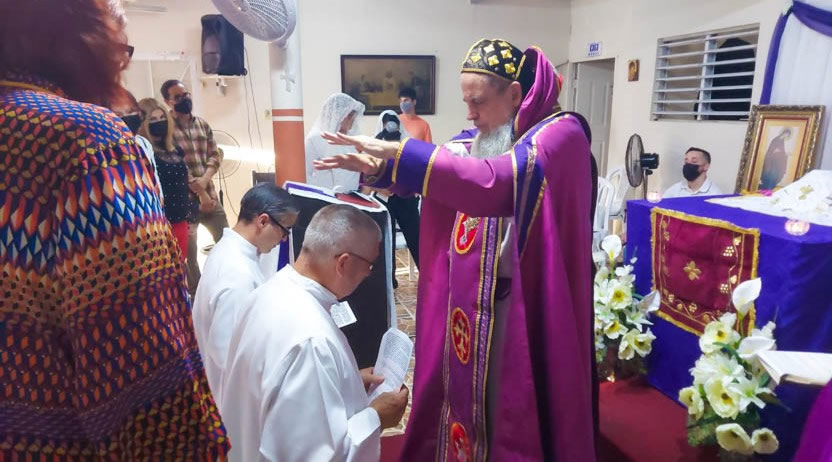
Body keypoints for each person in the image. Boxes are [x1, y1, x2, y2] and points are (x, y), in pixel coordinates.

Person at [315, 38, 596, 461]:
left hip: (525, 307)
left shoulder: (561, 134)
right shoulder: (491, 133)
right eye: (466, 102)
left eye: (477, 102)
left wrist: (404, 156)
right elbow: (453, 158)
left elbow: (495, 182)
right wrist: (384, 168)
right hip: (475, 304)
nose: (470, 114)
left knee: (511, 409)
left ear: (514, 94)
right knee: (471, 407)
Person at [0, 0, 229, 458]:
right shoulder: (85, 141)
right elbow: (142, 368)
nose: (120, 66)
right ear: (75, 38)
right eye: (119, 48)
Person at [221, 204, 409, 461]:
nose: (368, 274)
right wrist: (377, 417)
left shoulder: (268, 292)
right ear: (343, 263)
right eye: (370, 265)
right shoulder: (312, 342)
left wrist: (349, 381)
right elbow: (316, 454)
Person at [193, 182, 299, 401]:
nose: (284, 239)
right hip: (230, 399)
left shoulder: (229, 249)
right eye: (285, 230)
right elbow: (228, 359)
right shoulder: (238, 277)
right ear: (263, 221)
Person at [161, 78, 228, 295]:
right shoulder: (167, 130)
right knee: (190, 258)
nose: (184, 99)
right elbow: (175, 165)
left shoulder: (202, 124)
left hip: (211, 196)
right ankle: (198, 296)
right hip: (185, 203)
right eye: (178, 97)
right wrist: (200, 193)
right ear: (168, 101)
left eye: (186, 94)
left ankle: (226, 285)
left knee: (227, 243)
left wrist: (205, 182)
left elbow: (214, 155)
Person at [137, 98, 194, 257]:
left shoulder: (174, 150)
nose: (159, 122)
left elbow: (183, 183)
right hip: (159, 223)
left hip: (181, 219)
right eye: (153, 119)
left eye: (162, 118)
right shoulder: (142, 152)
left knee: (182, 263)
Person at [374, 110, 420, 288]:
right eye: (388, 125)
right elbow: (368, 174)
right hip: (384, 199)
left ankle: (427, 274)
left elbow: (415, 169)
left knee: (416, 237)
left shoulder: (407, 144)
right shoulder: (375, 143)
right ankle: (389, 280)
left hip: (405, 198)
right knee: (387, 239)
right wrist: (380, 187)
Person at [304, 93, 366, 192]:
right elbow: (306, 172)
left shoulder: (351, 138)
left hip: (351, 196)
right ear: (339, 115)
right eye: (350, 116)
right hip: (325, 197)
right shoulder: (315, 138)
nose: (353, 120)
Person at [111, 91, 164, 202]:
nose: (127, 118)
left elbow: (154, 177)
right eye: (118, 115)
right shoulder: (108, 149)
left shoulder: (143, 143)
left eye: (130, 112)